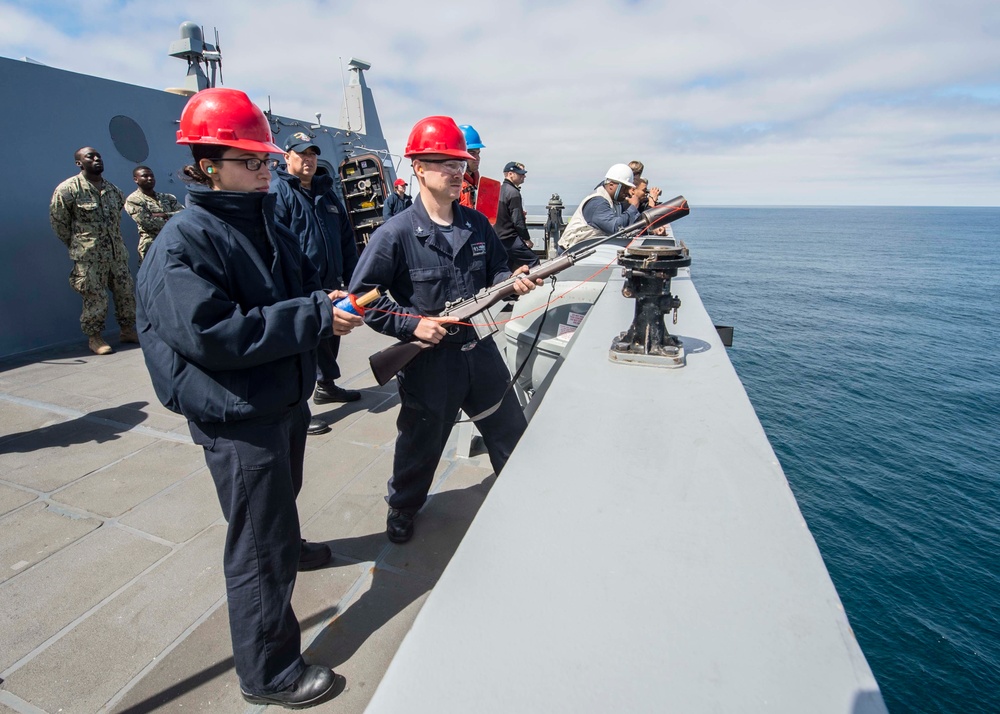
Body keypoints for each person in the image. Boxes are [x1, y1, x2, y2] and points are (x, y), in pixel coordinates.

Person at [135, 88, 362, 709]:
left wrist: (330, 300)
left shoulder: (261, 219)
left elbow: (297, 288)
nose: (267, 171)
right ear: (208, 164)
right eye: (252, 162)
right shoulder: (184, 241)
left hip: (279, 403)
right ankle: (269, 672)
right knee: (257, 545)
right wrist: (314, 317)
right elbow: (215, 333)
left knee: (276, 511)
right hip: (237, 415)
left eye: (266, 161)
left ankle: (286, 543)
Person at [349, 115, 541, 544]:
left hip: (479, 352)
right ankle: (402, 508)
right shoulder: (395, 234)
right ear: (418, 167)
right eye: (445, 163)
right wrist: (415, 325)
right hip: (429, 363)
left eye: (460, 162)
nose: (458, 170)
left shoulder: (476, 225)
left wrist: (516, 278)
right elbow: (363, 297)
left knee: (509, 428)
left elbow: (495, 273)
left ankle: (527, 496)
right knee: (421, 442)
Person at [273, 131, 362, 438]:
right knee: (304, 347)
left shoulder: (327, 193)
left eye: (312, 154)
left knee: (331, 337)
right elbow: (277, 246)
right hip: (300, 287)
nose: (308, 159)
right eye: (301, 154)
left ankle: (326, 387)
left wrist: (353, 280)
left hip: (332, 282)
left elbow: (346, 239)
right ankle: (299, 410)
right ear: (287, 158)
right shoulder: (279, 193)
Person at [49, 147, 137, 355]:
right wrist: (79, 244)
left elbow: (116, 220)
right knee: (95, 297)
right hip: (89, 256)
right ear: (79, 163)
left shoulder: (113, 190)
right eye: (90, 157)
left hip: (117, 254)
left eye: (99, 156)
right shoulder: (68, 189)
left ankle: (127, 329)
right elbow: (58, 222)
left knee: (125, 293)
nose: (97, 159)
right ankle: (94, 337)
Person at [557, 163, 641, 252]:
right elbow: (615, 228)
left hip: (586, 249)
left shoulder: (615, 201)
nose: (627, 192)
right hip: (571, 252)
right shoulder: (598, 203)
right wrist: (633, 208)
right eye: (624, 188)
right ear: (611, 185)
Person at [124, 165, 183, 265]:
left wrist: (165, 215)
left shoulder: (168, 197)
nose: (150, 178)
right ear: (136, 179)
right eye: (145, 176)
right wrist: (174, 218)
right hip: (151, 247)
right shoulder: (134, 200)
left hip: (173, 244)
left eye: (152, 176)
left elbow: (184, 216)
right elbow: (148, 222)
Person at [494, 161, 540, 271]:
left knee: (508, 267)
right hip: (509, 238)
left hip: (498, 237)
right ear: (510, 174)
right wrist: (527, 239)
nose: (524, 176)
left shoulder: (498, 190)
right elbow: (517, 220)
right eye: (520, 173)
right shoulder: (513, 193)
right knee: (534, 262)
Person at [457, 123, 484, 209]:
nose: (477, 158)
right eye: (472, 153)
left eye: (478, 153)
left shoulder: (474, 183)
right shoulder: (451, 185)